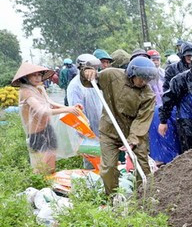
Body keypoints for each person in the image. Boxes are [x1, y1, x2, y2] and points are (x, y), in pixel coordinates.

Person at [78, 57, 157, 193]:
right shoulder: (112, 75)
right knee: (108, 167)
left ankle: (143, 197)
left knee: (142, 166)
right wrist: (87, 72)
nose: (144, 82)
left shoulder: (148, 95)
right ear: (132, 73)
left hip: (134, 132)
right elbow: (91, 81)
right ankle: (113, 197)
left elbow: (142, 120)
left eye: (147, 80)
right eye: (141, 78)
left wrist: (133, 139)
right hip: (110, 130)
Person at [13, 63, 86, 174]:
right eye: (34, 75)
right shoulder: (26, 92)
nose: (38, 78)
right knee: (40, 168)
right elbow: (42, 111)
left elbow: (50, 104)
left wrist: (71, 108)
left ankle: (50, 188)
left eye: (39, 75)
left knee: (51, 166)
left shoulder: (39, 89)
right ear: (26, 77)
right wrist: (67, 110)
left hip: (48, 130)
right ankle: (40, 189)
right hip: (36, 135)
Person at [159, 49, 192, 153]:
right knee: (189, 150)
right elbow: (168, 100)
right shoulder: (179, 80)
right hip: (186, 120)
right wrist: (163, 121)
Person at [67, 54, 103, 137]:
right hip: (86, 131)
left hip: (100, 125)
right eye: (91, 68)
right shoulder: (75, 86)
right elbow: (77, 112)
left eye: (96, 68)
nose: (94, 70)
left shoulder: (95, 81)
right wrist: (86, 131)